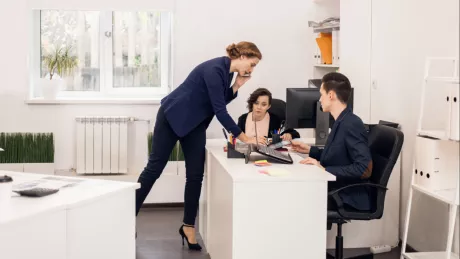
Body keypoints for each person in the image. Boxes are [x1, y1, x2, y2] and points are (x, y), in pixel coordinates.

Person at [135, 41, 266, 251]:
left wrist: (236, 86)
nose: (251, 70)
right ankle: (127, 217)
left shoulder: (226, 73)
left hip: (194, 123)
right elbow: (220, 111)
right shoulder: (215, 69)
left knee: (195, 175)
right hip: (173, 116)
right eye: (252, 64)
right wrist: (245, 138)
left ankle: (188, 226)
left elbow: (217, 101)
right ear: (242, 56)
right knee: (154, 169)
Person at [291, 72, 373, 213]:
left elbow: (363, 168)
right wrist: (309, 150)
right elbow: (338, 156)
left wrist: (324, 169)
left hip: (345, 195)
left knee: (296, 198)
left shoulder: (351, 123)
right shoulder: (341, 121)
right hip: (336, 188)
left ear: (331, 95)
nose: (320, 99)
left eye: (321, 94)